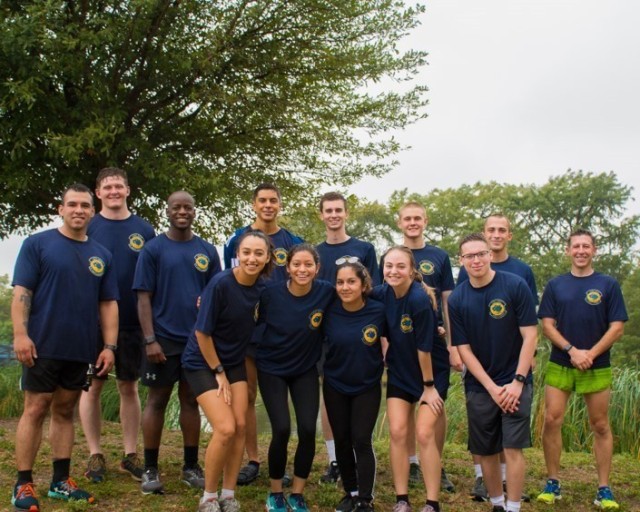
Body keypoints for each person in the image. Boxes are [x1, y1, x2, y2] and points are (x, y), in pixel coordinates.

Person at [11, 183, 119, 511]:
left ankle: (60, 481)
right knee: (35, 408)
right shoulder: (38, 244)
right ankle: (23, 484)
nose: (78, 210)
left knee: (64, 411)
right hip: (42, 345)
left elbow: (108, 303)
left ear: (92, 210)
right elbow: (21, 293)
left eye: (85, 205)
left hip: (82, 348)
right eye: (72, 204)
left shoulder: (102, 254)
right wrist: (20, 335)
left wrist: (109, 346)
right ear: (61, 209)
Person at [133, 190, 221, 495]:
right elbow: (143, 297)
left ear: (195, 211)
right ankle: (149, 468)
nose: (182, 211)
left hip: (196, 342)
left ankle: (190, 466)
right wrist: (149, 340)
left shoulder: (207, 251)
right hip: (162, 341)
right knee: (156, 401)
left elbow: (214, 297)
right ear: (167, 211)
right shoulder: (153, 249)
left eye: (188, 207)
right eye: (176, 207)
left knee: (190, 401)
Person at [182, 230, 274, 512]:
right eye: (246, 252)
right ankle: (208, 497)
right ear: (237, 254)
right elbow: (202, 333)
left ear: (268, 257)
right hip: (202, 361)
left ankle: (228, 493)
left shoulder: (263, 289)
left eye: (259, 253)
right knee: (225, 428)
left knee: (241, 426)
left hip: (233, 361)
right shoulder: (220, 284)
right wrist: (218, 370)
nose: (252, 258)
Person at [536, 229, 627, 511]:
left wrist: (590, 353)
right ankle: (553, 482)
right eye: (576, 246)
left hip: (596, 365)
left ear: (594, 250)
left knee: (600, 425)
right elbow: (547, 325)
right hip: (562, 362)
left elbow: (617, 326)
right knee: (552, 420)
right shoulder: (556, 285)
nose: (581, 251)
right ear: (568, 251)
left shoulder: (608, 284)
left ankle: (604, 488)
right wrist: (572, 351)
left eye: (586, 246)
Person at [448, 233, 538, 512]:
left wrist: (517, 383)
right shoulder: (457, 299)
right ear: (461, 261)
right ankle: (497, 504)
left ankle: (513, 507)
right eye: (469, 256)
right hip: (480, 386)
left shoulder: (515, 285)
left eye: (480, 254)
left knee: (512, 448)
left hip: (516, 381)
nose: (476, 260)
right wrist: (491, 388)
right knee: (485, 449)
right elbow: (463, 349)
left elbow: (531, 337)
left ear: (489, 254)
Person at [224, 183, 303, 486]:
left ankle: (278, 461)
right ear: (253, 204)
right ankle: (253, 459)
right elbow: (231, 281)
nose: (268, 205)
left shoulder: (292, 241)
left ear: (279, 204)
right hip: (246, 332)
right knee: (247, 396)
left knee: (279, 401)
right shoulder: (237, 240)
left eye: (273, 200)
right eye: (262, 201)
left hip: (282, 333)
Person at [79, 167, 155, 483]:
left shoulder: (144, 229)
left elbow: (152, 278)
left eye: (118, 186)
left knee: (129, 386)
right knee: (93, 386)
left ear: (128, 190)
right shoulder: (88, 226)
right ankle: (96, 454)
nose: (113, 191)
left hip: (132, 322)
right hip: (92, 322)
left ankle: (129, 455)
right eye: (107, 186)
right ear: (98, 193)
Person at [256, 244, 335, 512]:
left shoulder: (326, 291)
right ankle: (276, 492)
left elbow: (357, 298)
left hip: (304, 370)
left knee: (308, 430)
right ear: (287, 267)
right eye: (297, 264)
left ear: (317, 268)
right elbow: (241, 303)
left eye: (308, 265)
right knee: (280, 429)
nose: (302, 269)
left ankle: (297, 494)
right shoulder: (270, 294)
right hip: (271, 369)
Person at [391, 201, 458, 492]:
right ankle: (412, 462)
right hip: (403, 346)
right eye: (408, 218)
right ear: (399, 222)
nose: (413, 222)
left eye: (418, 218)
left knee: (434, 407)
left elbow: (447, 301)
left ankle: (437, 464)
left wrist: (453, 344)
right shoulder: (392, 257)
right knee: (403, 411)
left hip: (435, 344)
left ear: (426, 221)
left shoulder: (439, 256)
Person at [372, 246, 444, 512]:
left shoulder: (418, 300)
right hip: (400, 371)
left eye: (400, 266)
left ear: (412, 270)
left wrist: (428, 388)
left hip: (431, 375)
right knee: (398, 431)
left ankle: (432, 502)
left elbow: (424, 350)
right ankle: (402, 499)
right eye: (389, 266)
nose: (394, 271)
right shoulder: (381, 293)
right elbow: (355, 295)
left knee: (424, 433)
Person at [315, 191, 380, 484]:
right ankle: (335, 461)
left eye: (338, 210)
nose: (333, 215)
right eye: (328, 210)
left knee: (359, 416)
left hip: (360, 335)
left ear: (346, 213)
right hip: (328, 333)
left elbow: (376, 292)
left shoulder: (364, 248)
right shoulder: (316, 253)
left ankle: (358, 462)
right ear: (321, 215)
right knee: (329, 400)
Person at [323, 262, 386, 512]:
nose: (345, 287)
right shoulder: (329, 311)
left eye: (351, 282)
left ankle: (365, 498)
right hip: (335, 383)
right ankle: (350, 492)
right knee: (341, 439)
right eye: (340, 282)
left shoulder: (378, 311)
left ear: (363, 285)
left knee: (361, 439)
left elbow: (402, 331)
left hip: (367, 384)